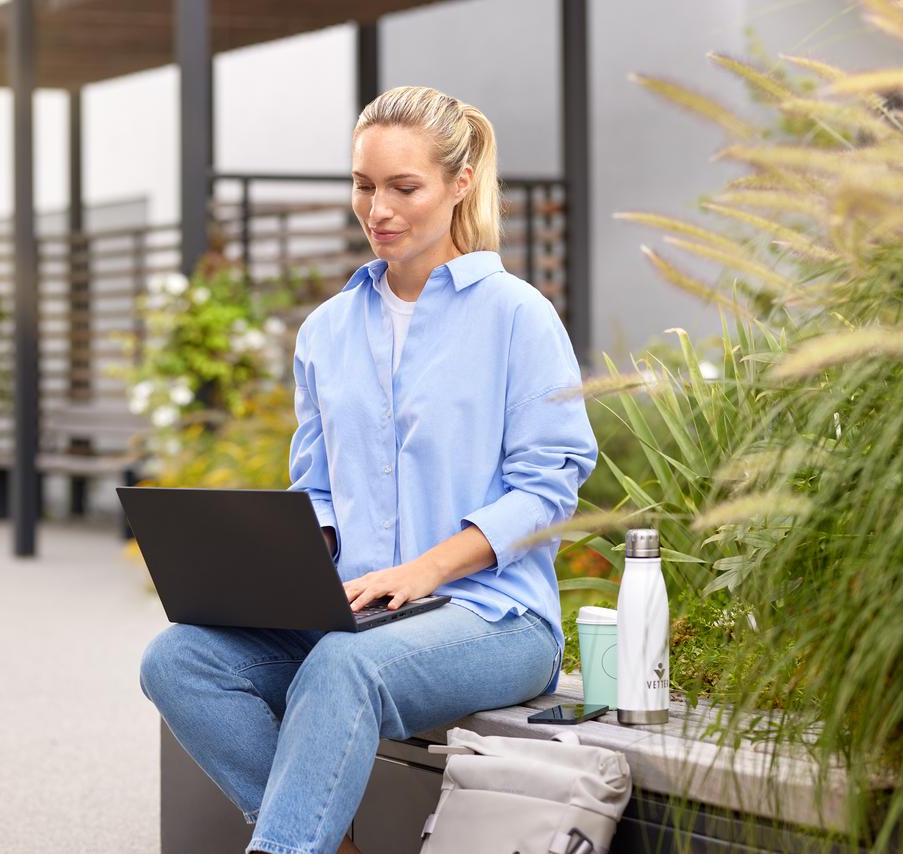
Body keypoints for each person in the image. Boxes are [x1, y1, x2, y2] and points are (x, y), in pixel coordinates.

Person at [139, 85, 598, 854]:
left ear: (458, 184)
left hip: (495, 617)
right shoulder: (326, 330)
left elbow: (550, 488)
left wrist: (428, 568)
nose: (377, 208)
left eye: (403, 187)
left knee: (343, 667)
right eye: (363, 185)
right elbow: (315, 484)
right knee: (178, 659)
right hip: (354, 611)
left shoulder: (516, 316)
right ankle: (325, 842)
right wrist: (300, 553)